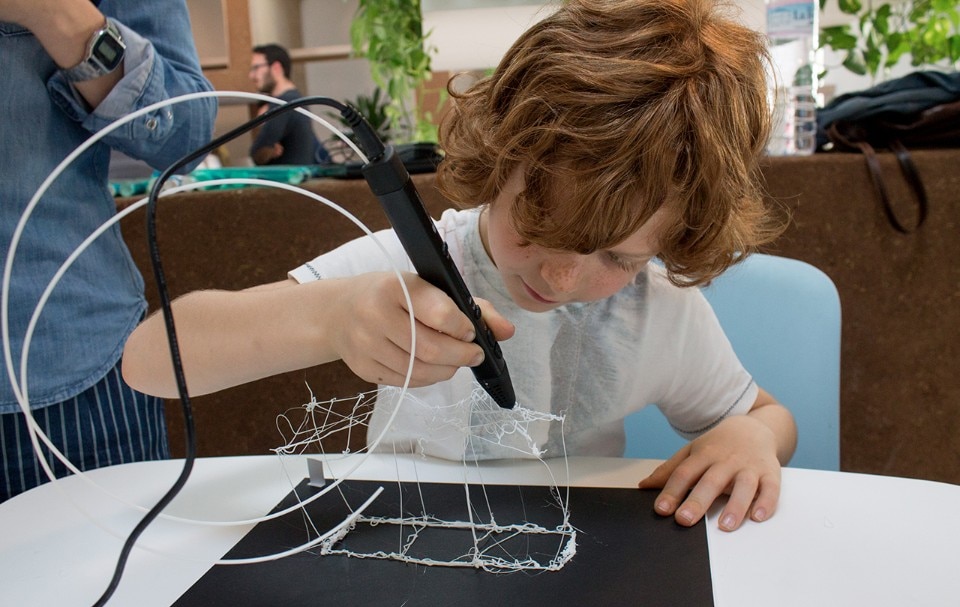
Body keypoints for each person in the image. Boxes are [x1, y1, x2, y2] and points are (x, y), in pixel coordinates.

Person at [122, 0, 797, 532]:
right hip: (413, 548)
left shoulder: (659, 314)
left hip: (584, 567)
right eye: (540, 223)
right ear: (502, 161)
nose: (561, 278)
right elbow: (149, 361)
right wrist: (328, 318)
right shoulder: (419, 269)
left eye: (618, 257)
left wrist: (751, 434)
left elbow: (770, 417)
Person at [0, 0, 217, 502]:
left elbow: (186, 132)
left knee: (126, 578)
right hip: (66, 354)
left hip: (66, 371)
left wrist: (56, 15)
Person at [248, 43, 329, 165]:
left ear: (276, 67)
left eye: (256, 68)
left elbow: (257, 153)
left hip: (283, 182)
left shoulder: (283, 104)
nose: (252, 75)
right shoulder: (296, 100)